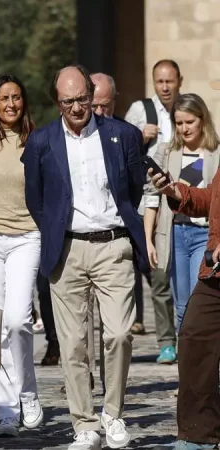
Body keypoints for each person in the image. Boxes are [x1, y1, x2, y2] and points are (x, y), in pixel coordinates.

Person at [22, 65, 146, 450]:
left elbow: (134, 190)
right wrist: (57, 229)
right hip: (68, 248)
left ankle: (112, 413)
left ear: (92, 96)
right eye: (68, 101)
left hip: (113, 245)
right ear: (57, 102)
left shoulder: (122, 135)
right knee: (73, 343)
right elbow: (35, 199)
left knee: (120, 334)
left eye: (82, 99)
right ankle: (84, 423)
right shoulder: (42, 141)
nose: (77, 107)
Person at [0, 74, 42, 437]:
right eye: (4, 98)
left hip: (27, 237)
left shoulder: (38, 140)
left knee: (18, 319)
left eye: (16, 97)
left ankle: (28, 394)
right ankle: (6, 411)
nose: (11, 104)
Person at [149, 105, 220, 450]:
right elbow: (212, 201)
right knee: (192, 336)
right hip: (216, 271)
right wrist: (179, 193)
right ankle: (198, 433)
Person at [144, 93, 220, 337]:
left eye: (190, 122)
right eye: (179, 123)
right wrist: (148, 239)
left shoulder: (216, 153)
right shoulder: (166, 153)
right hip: (175, 233)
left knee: (200, 302)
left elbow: (210, 197)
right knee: (182, 305)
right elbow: (151, 198)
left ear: (202, 120)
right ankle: (186, 366)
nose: (184, 128)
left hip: (204, 233)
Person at [125, 60, 182, 338]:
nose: (165, 87)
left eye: (169, 81)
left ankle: (178, 329)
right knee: (144, 260)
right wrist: (139, 135)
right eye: (160, 81)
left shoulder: (187, 109)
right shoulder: (140, 110)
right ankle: (149, 324)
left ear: (179, 81)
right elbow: (121, 147)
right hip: (147, 199)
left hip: (180, 199)